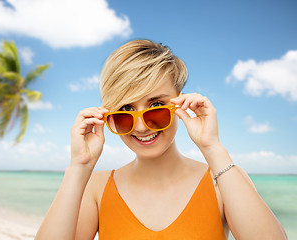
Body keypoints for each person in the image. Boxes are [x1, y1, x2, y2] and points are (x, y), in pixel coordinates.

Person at [35, 39, 287, 239]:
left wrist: (212, 148)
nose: (142, 125)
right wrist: (78, 167)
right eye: (125, 110)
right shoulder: (97, 188)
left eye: (155, 104)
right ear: (108, 115)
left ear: (180, 101)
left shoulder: (224, 179)